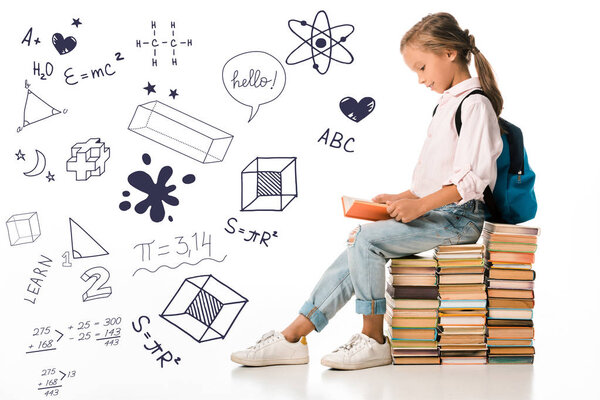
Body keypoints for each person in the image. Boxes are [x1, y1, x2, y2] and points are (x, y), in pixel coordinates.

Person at [231, 12, 504, 370]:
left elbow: (472, 181)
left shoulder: (475, 104)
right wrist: (404, 197)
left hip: (460, 220)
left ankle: (374, 340)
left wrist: (420, 206)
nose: (421, 79)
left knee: (365, 240)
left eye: (422, 67)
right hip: (442, 211)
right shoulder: (448, 104)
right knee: (358, 243)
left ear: (449, 53)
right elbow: (439, 178)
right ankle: (293, 336)